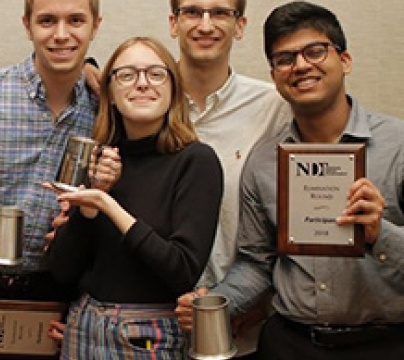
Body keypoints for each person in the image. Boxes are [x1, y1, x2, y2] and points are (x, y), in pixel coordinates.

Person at [175, 2, 404, 359]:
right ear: (275, 74)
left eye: (315, 51)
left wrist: (380, 234)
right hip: (289, 344)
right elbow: (256, 262)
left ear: (345, 61)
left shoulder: (399, 146)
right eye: (284, 58)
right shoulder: (265, 160)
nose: (300, 66)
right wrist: (218, 303)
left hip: (384, 344)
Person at [0, 0, 118, 359]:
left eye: (76, 20)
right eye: (47, 20)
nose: (61, 34)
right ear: (27, 25)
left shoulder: (107, 111)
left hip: (50, 296)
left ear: (96, 26)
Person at [46, 36, 223, 360]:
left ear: (173, 89)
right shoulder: (99, 161)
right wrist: (88, 208)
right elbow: (63, 271)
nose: (142, 83)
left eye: (155, 74)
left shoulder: (196, 161)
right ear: (110, 93)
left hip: (148, 334)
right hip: (82, 325)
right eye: (127, 75)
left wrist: (107, 205)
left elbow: (181, 270)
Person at [168, 0, 291, 357]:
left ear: (240, 25)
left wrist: (249, 301)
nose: (206, 25)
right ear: (174, 23)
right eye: (192, 12)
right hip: (148, 328)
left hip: (240, 327)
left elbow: (287, 220)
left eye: (220, 12)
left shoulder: (274, 108)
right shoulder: (142, 96)